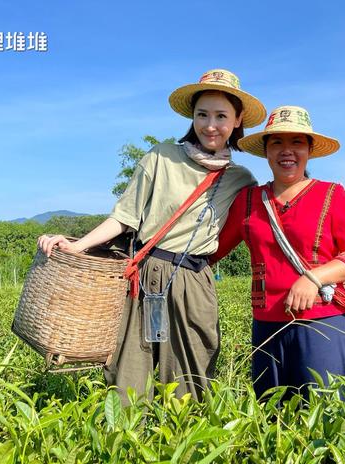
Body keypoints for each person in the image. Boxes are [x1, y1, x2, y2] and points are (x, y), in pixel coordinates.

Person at [37, 69, 266, 402]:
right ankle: (129, 445)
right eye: (202, 115)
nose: (210, 125)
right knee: (131, 371)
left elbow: (253, 225)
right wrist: (76, 245)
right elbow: (123, 217)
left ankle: (185, 445)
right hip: (145, 274)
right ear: (193, 116)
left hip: (193, 279)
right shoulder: (161, 156)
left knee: (192, 375)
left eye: (221, 116)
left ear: (237, 119)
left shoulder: (241, 178)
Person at [210, 105, 345, 400]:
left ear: (309, 150)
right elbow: (213, 249)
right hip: (267, 326)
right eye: (277, 143)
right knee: (272, 419)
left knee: (328, 416)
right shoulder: (248, 200)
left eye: (297, 142)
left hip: (322, 323)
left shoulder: (332, 194)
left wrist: (314, 278)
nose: (287, 151)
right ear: (266, 152)